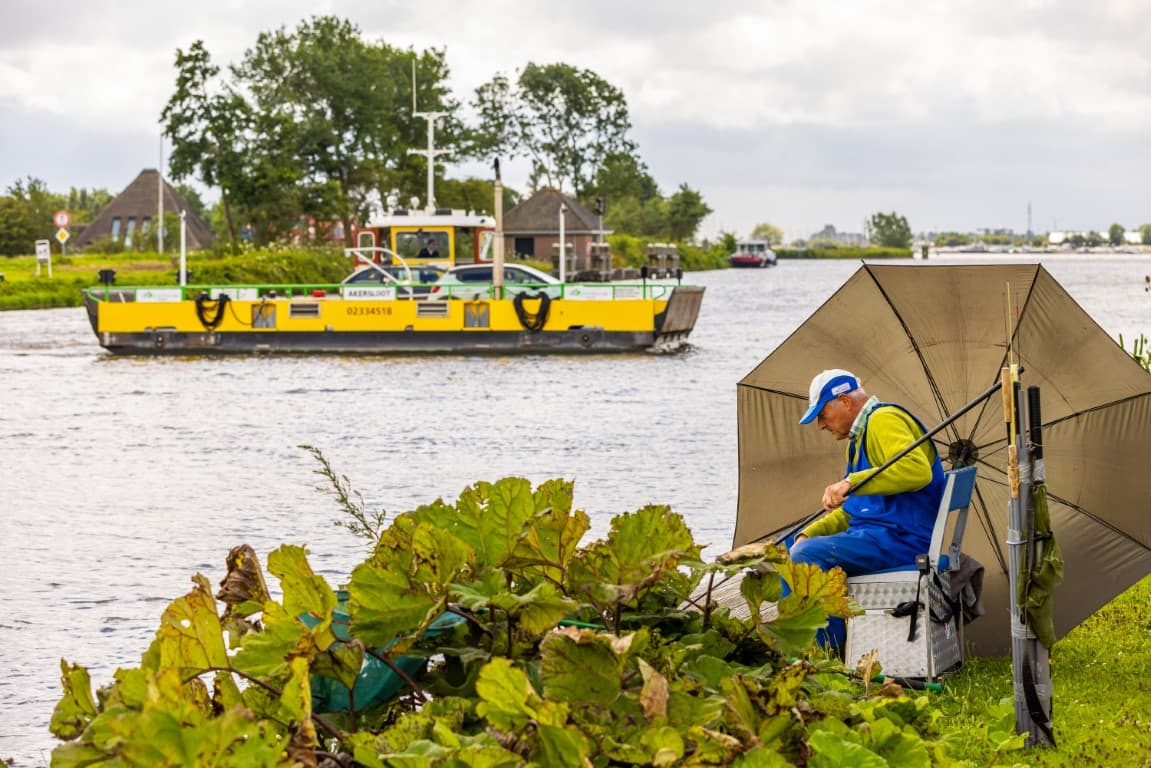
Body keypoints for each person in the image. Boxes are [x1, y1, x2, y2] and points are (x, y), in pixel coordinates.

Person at [788, 369, 946, 647]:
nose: (821, 425)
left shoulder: (883, 421)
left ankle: (829, 650)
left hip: (903, 541)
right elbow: (855, 510)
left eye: (823, 415)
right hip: (881, 537)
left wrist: (851, 481)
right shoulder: (860, 437)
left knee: (806, 555)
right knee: (793, 545)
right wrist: (808, 533)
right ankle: (794, 640)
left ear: (845, 402)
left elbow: (917, 471)